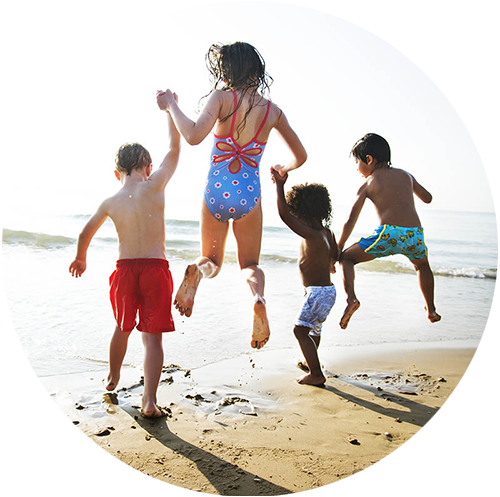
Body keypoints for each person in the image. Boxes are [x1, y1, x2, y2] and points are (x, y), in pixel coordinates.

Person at [157, 41, 307, 350]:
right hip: (249, 195)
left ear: (228, 71)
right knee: (249, 264)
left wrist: (171, 104)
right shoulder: (272, 111)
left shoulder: (222, 99)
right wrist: (284, 167)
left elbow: (194, 135)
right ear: (256, 70)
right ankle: (258, 297)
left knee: (211, 259)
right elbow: (300, 155)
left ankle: (197, 271)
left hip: (216, 190)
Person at [69, 98, 181, 418]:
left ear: (116, 172)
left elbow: (84, 233)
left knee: (122, 327)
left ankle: (113, 376)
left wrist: (81, 259)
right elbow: (174, 151)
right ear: (148, 168)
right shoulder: (155, 185)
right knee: (153, 339)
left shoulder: (110, 201)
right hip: (156, 269)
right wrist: (170, 112)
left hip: (124, 271)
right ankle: (149, 401)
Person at [337, 133, 441, 329]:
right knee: (422, 266)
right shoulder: (406, 175)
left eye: (357, 161)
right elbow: (427, 198)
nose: (357, 168)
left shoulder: (368, 184)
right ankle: (431, 309)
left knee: (347, 259)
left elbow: (351, 219)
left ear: (369, 159)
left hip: (390, 235)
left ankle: (351, 299)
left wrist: (339, 246)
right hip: (414, 235)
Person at [272, 168, 338, 386]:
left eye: (296, 212)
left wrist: (279, 186)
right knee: (313, 329)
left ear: (304, 213)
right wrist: (329, 262)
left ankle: (317, 374)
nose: (294, 217)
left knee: (299, 330)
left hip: (317, 292)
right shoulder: (327, 233)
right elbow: (335, 255)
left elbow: (284, 216)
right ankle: (311, 362)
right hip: (327, 291)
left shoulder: (310, 234)